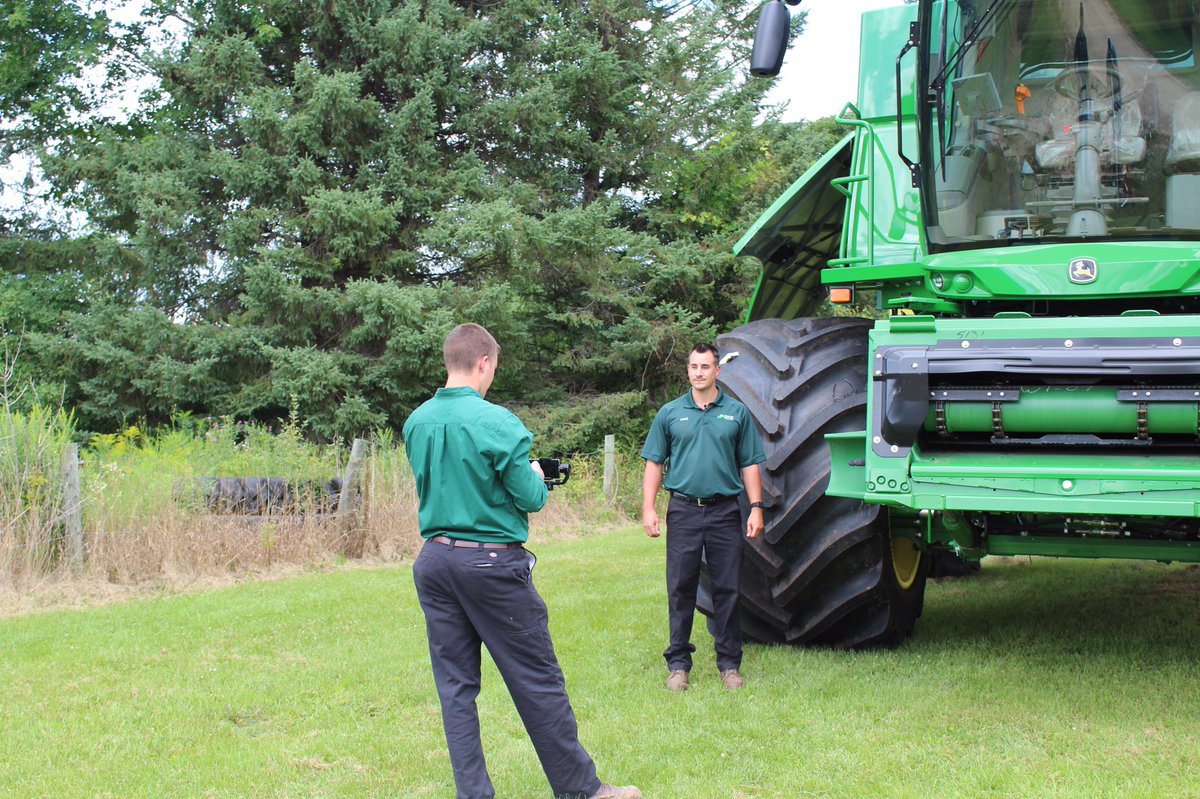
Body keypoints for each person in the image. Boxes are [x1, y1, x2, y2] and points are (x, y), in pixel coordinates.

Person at [405, 323, 640, 799]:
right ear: (484, 362)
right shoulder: (498, 423)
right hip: (491, 565)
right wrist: (534, 474)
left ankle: (473, 794)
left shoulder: (417, 422)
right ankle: (582, 791)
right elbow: (531, 498)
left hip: (434, 561)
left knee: (455, 688)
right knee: (537, 680)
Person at [640, 343, 766, 692]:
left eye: (706, 367)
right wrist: (648, 508)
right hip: (683, 510)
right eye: (694, 366)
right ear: (688, 371)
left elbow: (749, 463)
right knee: (680, 587)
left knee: (728, 588)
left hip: (725, 510)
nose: (699, 372)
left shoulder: (737, 414)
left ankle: (729, 665)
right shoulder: (670, 413)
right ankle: (678, 664)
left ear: (717, 371)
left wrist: (756, 507)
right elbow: (654, 462)